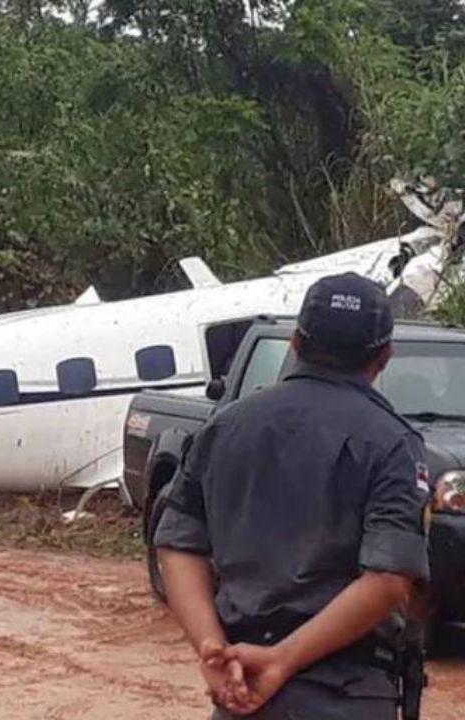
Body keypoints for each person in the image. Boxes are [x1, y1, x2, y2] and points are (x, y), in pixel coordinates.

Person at [156, 272, 431, 719]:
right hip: (345, 695)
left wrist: (212, 647)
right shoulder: (392, 443)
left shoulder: (226, 426)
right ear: (385, 356)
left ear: (295, 343)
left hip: (241, 690)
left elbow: (177, 544)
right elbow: (387, 581)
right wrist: (281, 659)